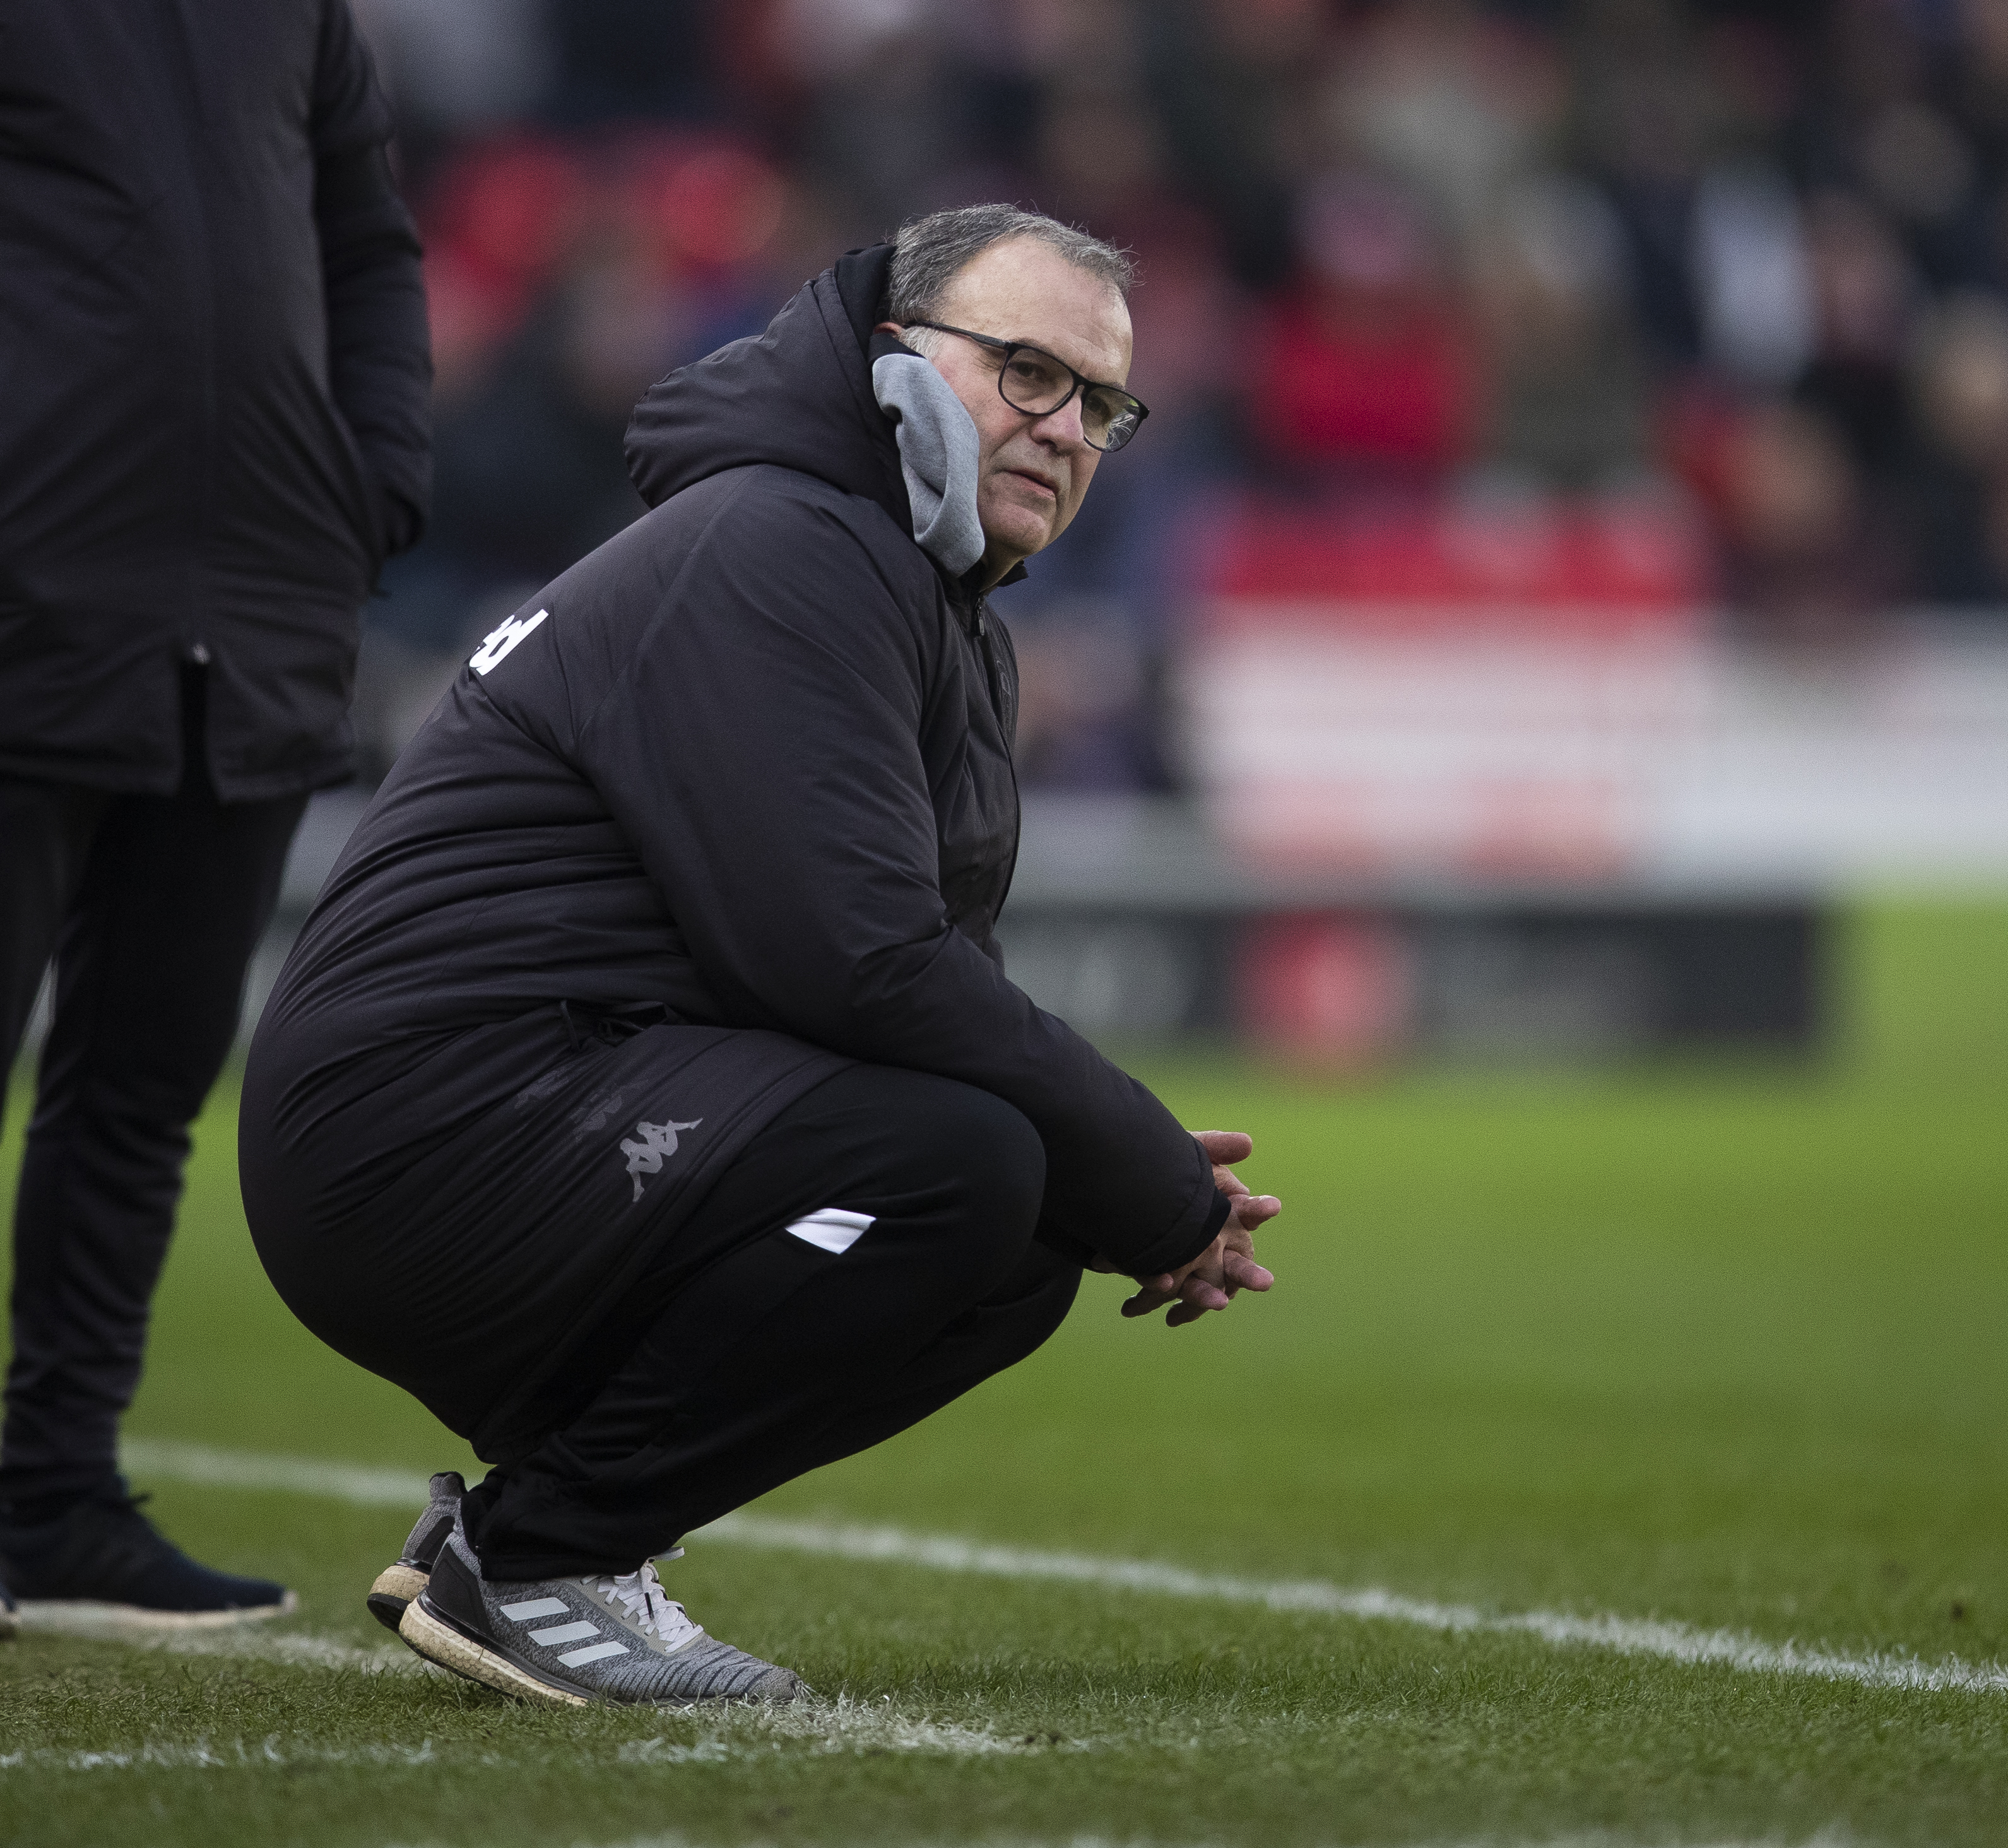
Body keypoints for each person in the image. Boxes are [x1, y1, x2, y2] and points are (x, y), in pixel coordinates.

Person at [239, 205, 1279, 1706]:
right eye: (1027, 374)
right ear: (891, 357)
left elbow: (905, 985)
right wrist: (1131, 1160)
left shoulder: (908, 588)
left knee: (1020, 1199)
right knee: (969, 1163)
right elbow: (857, 964)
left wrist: (1106, 1165)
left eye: (1101, 404)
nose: (1066, 430)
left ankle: (541, 1526)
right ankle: (542, 1560)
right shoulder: (786, 542)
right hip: (430, 1123)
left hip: (530, 1105)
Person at [0, 0, 431, 1633]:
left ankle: (53, 1501)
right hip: (31, 595)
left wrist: (371, 473)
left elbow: (368, 244)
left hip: (247, 611)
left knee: (140, 1091)